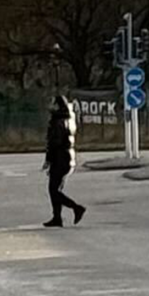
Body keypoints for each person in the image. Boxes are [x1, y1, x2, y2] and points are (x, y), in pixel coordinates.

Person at [43, 95, 86, 228]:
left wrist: (49, 159)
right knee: (55, 189)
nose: (50, 106)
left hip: (60, 157)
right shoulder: (68, 118)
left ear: (57, 105)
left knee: (53, 190)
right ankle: (57, 217)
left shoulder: (58, 121)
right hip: (67, 156)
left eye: (53, 103)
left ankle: (76, 208)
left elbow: (54, 143)